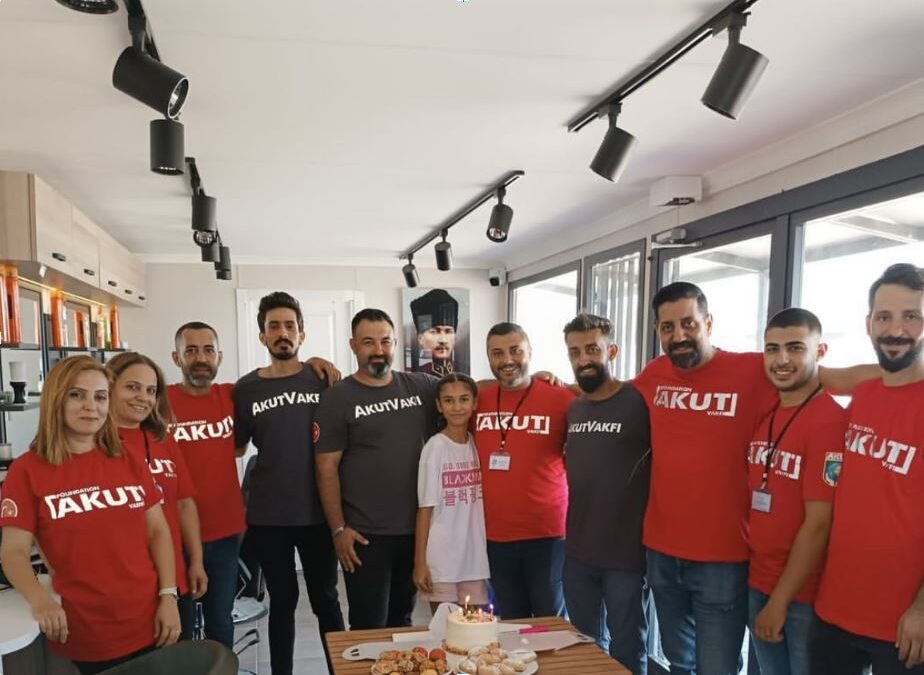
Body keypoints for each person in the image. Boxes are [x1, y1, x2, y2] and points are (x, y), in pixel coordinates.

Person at [633, 281, 877, 675]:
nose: (678, 336)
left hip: (723, 559)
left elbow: (840, 378)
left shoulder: (755, 370)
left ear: (708, 323)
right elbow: (613, 393)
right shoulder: (655, 373)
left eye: (688, 323)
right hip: (661, 551)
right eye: (667, 327)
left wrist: (908, 370)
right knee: (679, 663)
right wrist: (548, 382)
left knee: (717, 668)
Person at [0, 356, 180, 675]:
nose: (91, 407)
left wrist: (169, 595)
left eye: (100, 397)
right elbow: (13, 552)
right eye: (77, 395)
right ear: (56, 398)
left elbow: (157, 531)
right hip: (85, 628)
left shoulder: (128, 458)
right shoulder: (26, 471)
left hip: (149, 617)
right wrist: (40, 600)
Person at [167, 320, 339, 648]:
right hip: (174, 534)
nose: (200, 358)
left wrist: (312, 363)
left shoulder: (234, 394)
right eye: (190, 351)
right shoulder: (161, 402)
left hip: (224, 532)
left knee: (220, 623)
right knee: (182, 629)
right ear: (176, 358)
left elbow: (273, 390)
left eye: (208, 350)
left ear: (219, 357)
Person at [811, 263, 924, 674]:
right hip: (833, 611)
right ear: (868, 323)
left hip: (904, 625)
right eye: (884, 317)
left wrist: (922, 609)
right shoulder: (864, 390)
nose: (896, 330)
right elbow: (807, 374)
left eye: (911, 316)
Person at [232, 292, 344, 675]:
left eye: (290, 326)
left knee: (326, 599)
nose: (283, 333)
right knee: (282, 601)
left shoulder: (324, 378)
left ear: (302, 334)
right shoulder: (246, 389)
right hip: (269, 516)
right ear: (262, 336)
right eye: (274, 326)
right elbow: (237, 446)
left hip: (318, 512)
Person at [315, 308, 440, 629]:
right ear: (353, 345)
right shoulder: (337, 398)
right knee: (368, 626)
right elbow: (326, 468)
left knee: (402, 621)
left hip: (415, 531)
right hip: (364, 536)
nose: (378, 350)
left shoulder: (422, 387)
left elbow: (468, 390)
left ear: (395, 343)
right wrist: (338, 530)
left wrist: (538, 379)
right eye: (368, 342)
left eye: (385, 341)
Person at [746, 308, 847, 675]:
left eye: (795, 348)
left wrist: (781, 600)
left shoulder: (829, 421)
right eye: (772, 349)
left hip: (801, 596)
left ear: (820, 351)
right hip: (759, 579)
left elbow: (819, 523)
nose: (782, 360)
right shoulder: (770, 413)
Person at [561, 313, 651, 675]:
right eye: (575, 352)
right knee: (584, 646)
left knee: (627, 647)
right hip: (577, 552)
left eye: (592, 349)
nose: (583, 359)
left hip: (625, 555)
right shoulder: (574, 408)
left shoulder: (638, 403)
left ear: (611, 351)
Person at [473, 322, 574, 619]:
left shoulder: (561, 398)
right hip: (493, 535)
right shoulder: (477, 399)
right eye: (497, 353)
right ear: (488, 357)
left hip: (548, 534)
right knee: (510, 623)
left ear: (530, 352)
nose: (507, 360)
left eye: (515, 351)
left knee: (550, 624)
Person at [108, 351, 208, 640]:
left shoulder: (162, 439)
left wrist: (196, 560)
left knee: (180, 656)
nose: (143, 397)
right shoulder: (95, 444)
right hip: (125, 585)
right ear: (109, 387)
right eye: (132, 387)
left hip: (173, 580)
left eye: (151, 391)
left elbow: (184, 503)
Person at [413, 373, 490, 612]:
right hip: (441, 561)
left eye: (464, 399)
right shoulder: (434, 448)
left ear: (475, 403)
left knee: (475, 629)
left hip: (474, 559)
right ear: (439, 405)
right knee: (444, 628)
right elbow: (424, 510)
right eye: (449, 400)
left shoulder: (477, 443)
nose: (457, 407)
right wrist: (420, 563)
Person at [410, 289, 459, 376]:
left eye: (448, 331)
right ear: (420, 338)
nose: (443, 340)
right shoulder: (417, 377)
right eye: (434, 332)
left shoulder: (462, 374)